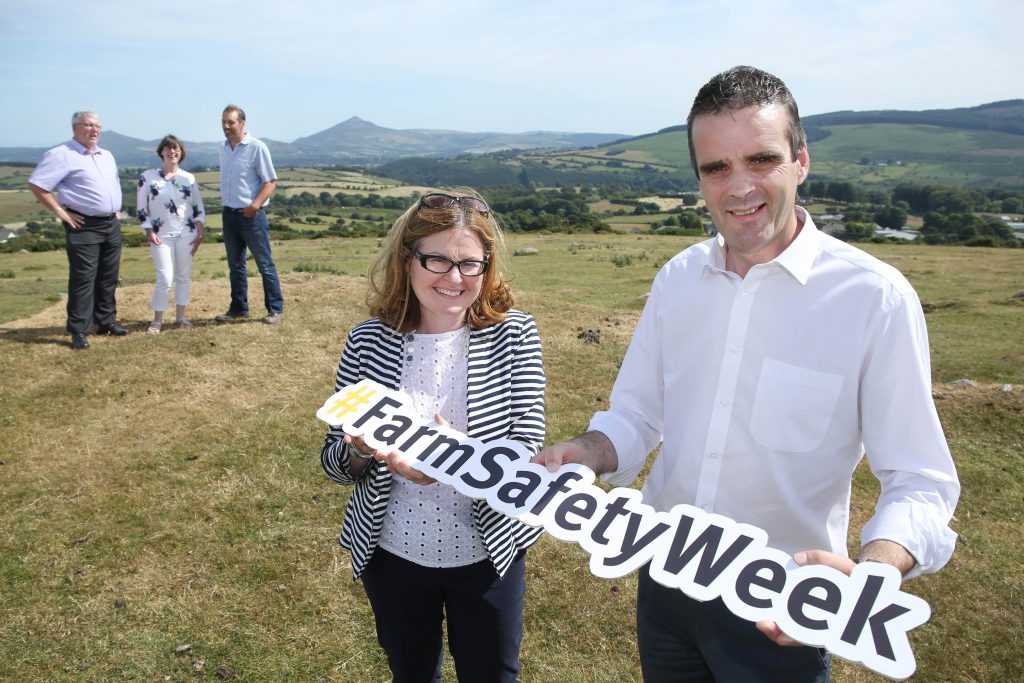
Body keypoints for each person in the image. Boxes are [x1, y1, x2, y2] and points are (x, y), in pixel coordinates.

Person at [533, 66, 960, 683]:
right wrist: (586, 452)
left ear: (800, 161)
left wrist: (874, 574)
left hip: (781, 609)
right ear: (699, 177)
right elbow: (636, 416)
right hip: (665, 580)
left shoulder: (875, 298)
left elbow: (920, 481)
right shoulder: (678, 279)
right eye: (716, 167)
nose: (739, 187)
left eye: (761, 159)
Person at [320, 190, 546, 682]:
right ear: (407, 261)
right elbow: (334, 463)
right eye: (437, 259)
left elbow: (527, 446)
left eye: (470, 263)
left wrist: (457, 461)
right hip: (393, 554)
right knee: (412, 672)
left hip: (489, 551)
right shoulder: (368, 340)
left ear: (488, 267)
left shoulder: (515, 336)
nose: (454, 278)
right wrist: (359, 449)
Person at [28, 110, 128, 349]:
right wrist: (60, 212)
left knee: (108, 275)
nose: (94, 130)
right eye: (88, 125)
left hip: (110, 223)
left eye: (97, 126)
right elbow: (38, 184)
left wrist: (115, 209)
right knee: (84, 278)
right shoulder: (62, 154)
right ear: (75, 128)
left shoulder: (107, 155)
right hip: (84, 225)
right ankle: (78, 330)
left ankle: (105, 321)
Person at [215, 104, 283, 325]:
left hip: (251, 216)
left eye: (231, 122)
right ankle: (238, 308)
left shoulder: (257, 147)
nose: (226, 126)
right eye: (224, 122)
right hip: (229, 214)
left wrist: (254, 206)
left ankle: (275, 309)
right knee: (235, 265)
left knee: (264, 263)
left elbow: (270, 182)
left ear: (242, 123)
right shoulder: (223, 149)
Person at [136, 135, 206, 333]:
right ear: (161, 152)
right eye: (168, 148)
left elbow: (197, 206)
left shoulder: (189, 178)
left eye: (176, 148)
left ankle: (181, 317)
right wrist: (148, 230)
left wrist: (200, 231)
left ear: (181, 152)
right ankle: (157, 319)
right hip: (160, 235)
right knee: (165, 277)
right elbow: (142, 208)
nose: (172, 152)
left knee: (183, 276)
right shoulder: (147, 177)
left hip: (187, 234)